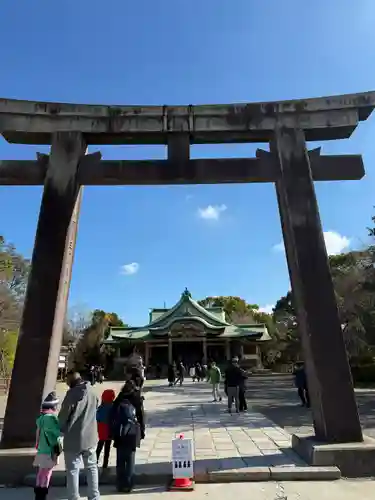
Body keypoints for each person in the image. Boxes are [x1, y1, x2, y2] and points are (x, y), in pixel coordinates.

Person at [59, 371, 100, 500]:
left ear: (71, 381)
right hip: (91, 437)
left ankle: (73, 497)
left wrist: (59, 430)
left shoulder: (71, 395)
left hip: (73, 439)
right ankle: (94, 496)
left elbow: (63, 417)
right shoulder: (93, 392)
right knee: (92, 467)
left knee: (72, 470)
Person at [110, 380, 145, 493]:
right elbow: (141, 417)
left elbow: (112, 416)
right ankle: (128, 484)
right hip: (132, 433)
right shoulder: (136, 398)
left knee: (120, 460)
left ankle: (120, 484)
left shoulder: (119, 399)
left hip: (119, 433)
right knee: (130, 459)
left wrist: (112, 432)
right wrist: (142, 432)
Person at [33, 392, 61, 500]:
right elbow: (56, 434)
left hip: (41, 449)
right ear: (53, 407)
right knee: (48, 472)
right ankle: (43, 494)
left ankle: (37, 494)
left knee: (40, 472)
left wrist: (37, 444)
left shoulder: (40, 418)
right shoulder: (53, 419)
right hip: (51, 450)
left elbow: (38, 432)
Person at [96, 389, 116, 470]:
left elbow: (97, 417)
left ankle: (95, 461)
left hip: (101, 429)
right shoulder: (113, 406)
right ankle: (105, 464)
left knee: (99, 446)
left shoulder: (101, 407)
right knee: (107, 448)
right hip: (110, 429)